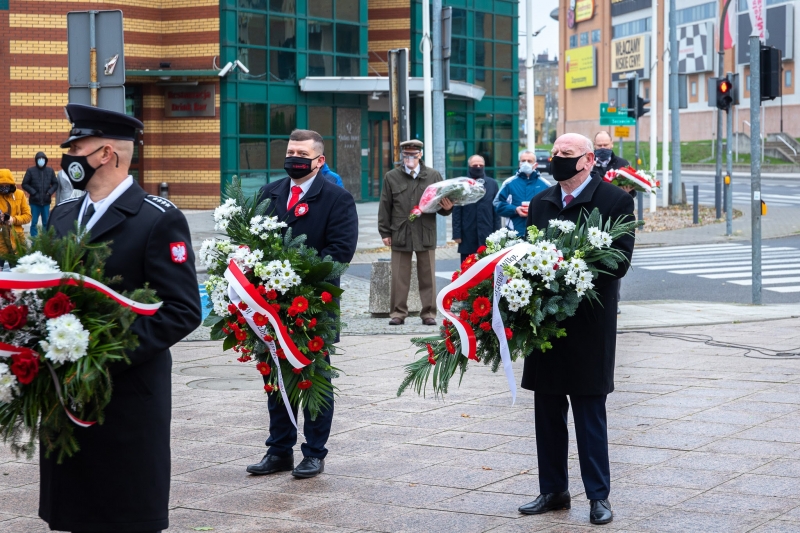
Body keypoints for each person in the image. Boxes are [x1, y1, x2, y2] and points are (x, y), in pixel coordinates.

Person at [42, 103, 202, 533]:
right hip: (65, 393)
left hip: (127, 393)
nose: (68, 156)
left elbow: (183, 310)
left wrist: (102, 354)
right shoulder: (61, 216)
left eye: (78, 147)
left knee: (125, 509)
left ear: (106, 154)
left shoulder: (157, 219)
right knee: (75, 507)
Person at [519, 133, 635, 526]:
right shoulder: (541, 202)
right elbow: (526, 256)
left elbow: (617, 262)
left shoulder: (616, 201)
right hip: (545, 326)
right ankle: (553, 490)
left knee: (589, 413)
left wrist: (567, 272)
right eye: (554, 154)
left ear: (587, 160)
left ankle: (598, 497)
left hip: (588, 325)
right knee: (547, 413)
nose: (556, 160)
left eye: (565, 155)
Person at [248, 129, 358, 479]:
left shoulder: (337, 198)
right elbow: (252, 241)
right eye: (290, 151)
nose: (294, 158)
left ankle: (313, 452)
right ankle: (279, 450)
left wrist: (290, 274)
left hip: (313, 307)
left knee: (314, 379)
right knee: (275, 378)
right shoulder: (269, 193)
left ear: (319, 160)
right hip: (271, 307)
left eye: (302, 153)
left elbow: (339, 254)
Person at [378, 139, 453, 326]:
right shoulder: (391, 176)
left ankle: (428, 313)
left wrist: (448, 208)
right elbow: (385, 206)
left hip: (425, 231)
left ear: (420, 155)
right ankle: (398, 312)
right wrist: (385, 232)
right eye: (406, 155)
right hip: (400, 231)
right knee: (399, 276)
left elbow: (442, 206)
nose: (409, 158)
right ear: (401, 156)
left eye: (413, 154)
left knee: (427, 275)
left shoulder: (433, 176)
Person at [591, 130, 634, 314]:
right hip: (594, 219)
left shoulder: (622, 164)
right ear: (594, 146)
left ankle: (613, 299)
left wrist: (627, 191)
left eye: (605, 145)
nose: (602, 149)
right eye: (599, 146)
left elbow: (633, 193)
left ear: (612, 145)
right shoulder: (589, 164)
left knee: (614, 259)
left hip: (615, 219)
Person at [452, 155, 500, 262]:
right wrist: (457, 234)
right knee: (467, 267)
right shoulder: (461, 184)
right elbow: (456, 211)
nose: (478, 167)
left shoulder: (492, 184)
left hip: (487, 233)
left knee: (487, 268)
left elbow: (496, 212)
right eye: (475, 165)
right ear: (469, 166)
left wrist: (497, 233)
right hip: (467, 234)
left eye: (481, 165)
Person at [494, 150, 550, 238]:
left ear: (535, 165)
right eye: (523, 161)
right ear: (519, 164)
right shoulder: (509, 183)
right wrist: (515, 209)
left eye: (529, 161)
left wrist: (534, 211)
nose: (526, 163)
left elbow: (551, 208)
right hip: (514, 234)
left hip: (537, 235)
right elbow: (496, 204)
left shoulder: (545, 185)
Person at [21, 151, 58, 237]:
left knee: (46, 223)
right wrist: (33, 192)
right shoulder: (30, 171)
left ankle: (44, 242)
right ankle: (34, 242)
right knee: (34, 223)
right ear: (36, 160)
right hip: (34, 202)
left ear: (45, 160)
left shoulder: (50, 171)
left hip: (46, 202)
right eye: (39, 159)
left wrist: (49, 192)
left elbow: (55, 184)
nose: (41, 160)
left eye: (43, 159)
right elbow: (24, 184)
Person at [0, 169, 32, 255]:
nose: (4, 187)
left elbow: (28, 216)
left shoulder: (20, 194)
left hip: (17, 241)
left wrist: (13, 220)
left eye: (6, 185)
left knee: (18, 267)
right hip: (1, 242)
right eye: (1, 185)